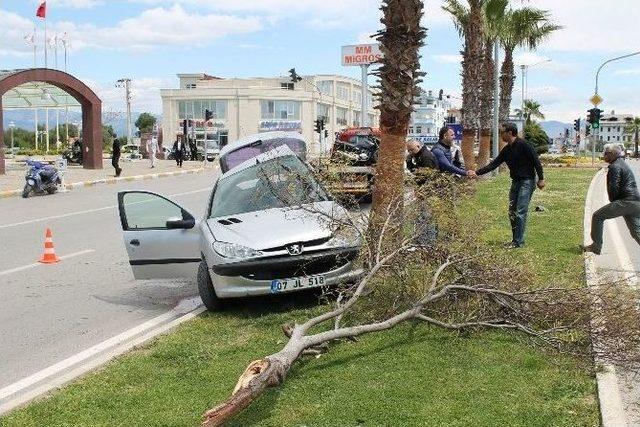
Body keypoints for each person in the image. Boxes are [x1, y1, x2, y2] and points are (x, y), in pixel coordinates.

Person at [475, 122, 545, 248]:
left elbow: (536, 161)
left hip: (527, 181)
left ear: (510, 133)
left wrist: (541, 179)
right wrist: (476, 173)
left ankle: (518, 242)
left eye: (502, 132)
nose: (500, 134)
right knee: (512, 212)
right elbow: (493, 164)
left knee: (520, 211)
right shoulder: (507, 150)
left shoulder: (524, 145)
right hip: (516, 182)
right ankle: (515, 240)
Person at [582, 143, 640, 255]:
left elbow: (613, 187)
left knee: (598, 216)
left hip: (626, 201)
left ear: (611, 154)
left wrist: (614, 202)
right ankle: (595, 246)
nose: (604, 156)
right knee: (636, 232)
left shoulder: (615, 166)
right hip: (636, 202)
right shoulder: (622, 163)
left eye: (605, 154)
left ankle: (596, 247)